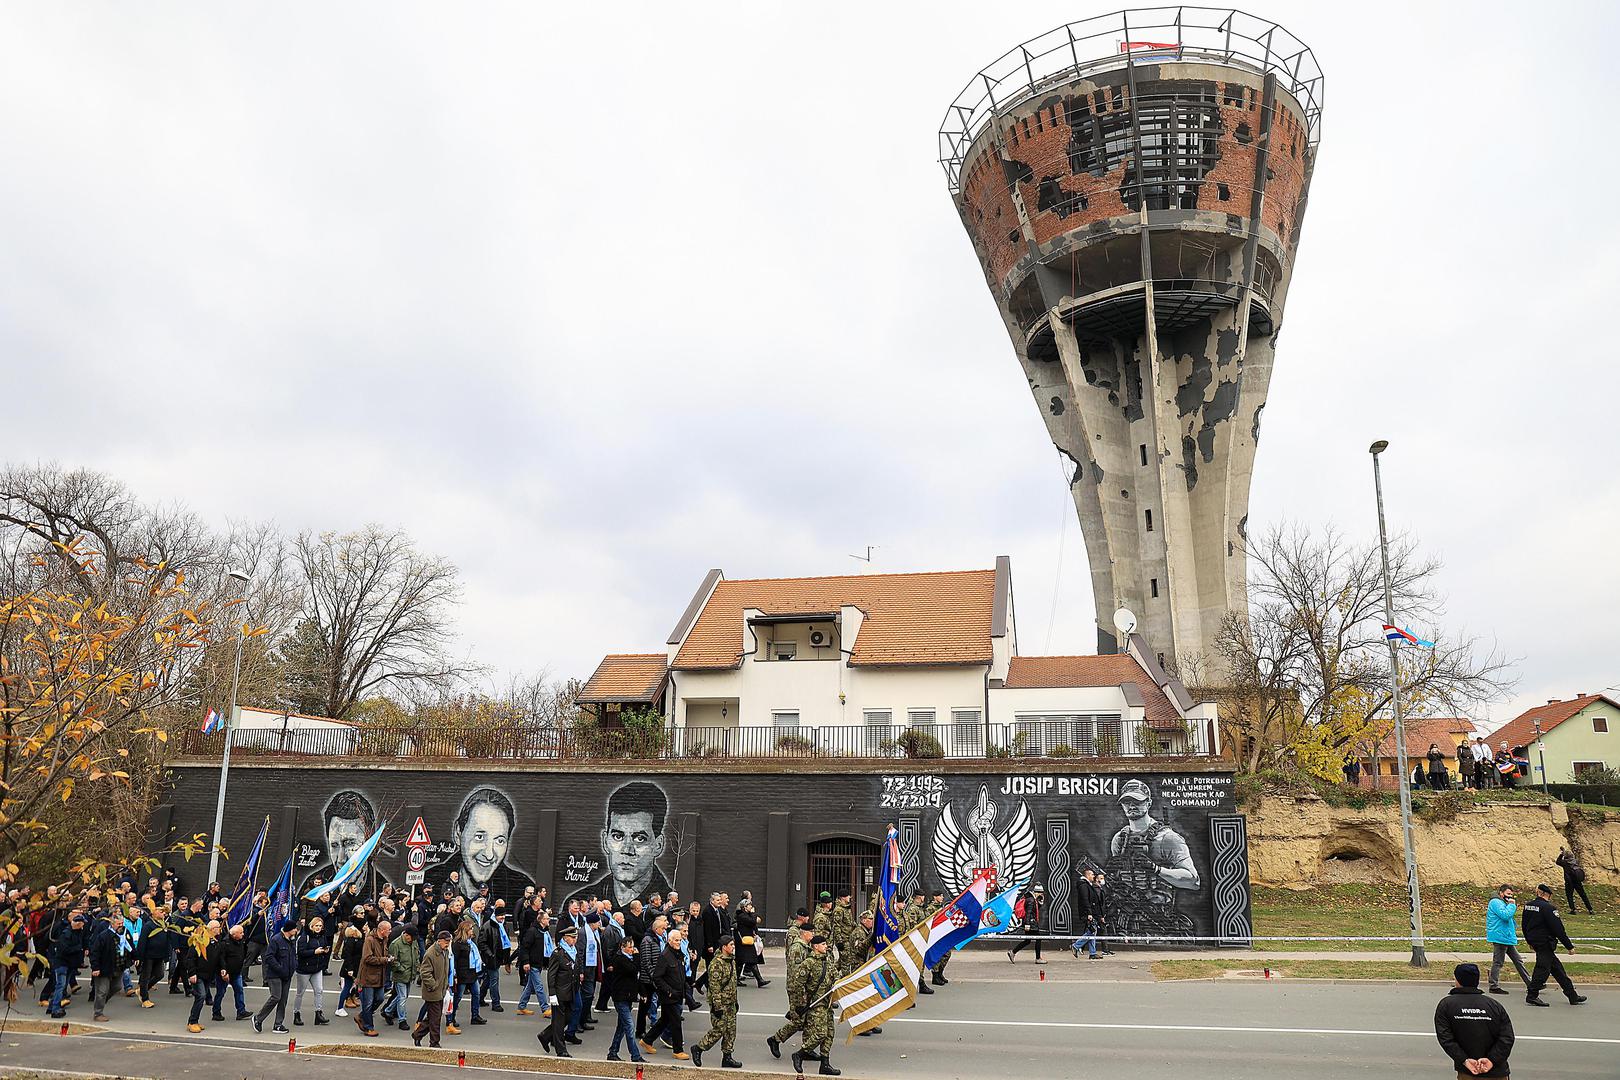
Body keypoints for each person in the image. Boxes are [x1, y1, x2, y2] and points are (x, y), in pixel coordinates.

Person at [566, 781, 675, 907]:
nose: (627, 850)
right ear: (605, 841)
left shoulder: (670, 905)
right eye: (618, 837)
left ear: (658, 845)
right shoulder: (578, 903)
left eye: (640, 839)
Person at [431, 787, 536, 904]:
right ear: (458, 834)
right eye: (479, 837)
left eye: (499, 841)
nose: (489, 855)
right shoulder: (431, 882)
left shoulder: (521, 889)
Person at [1435, 962, 1514, 1078]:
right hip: (1497, 1072)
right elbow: (1507, 1037)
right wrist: (1492, 1060)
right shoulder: (1494, 1005)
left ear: (1458, 980)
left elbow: (1446, 1038)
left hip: (1468, 1072)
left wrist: (1464, 1060)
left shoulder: (1446, 1005)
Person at [1522, 884, 1585, 1007]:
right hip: (1545, 942)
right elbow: (1558, 929)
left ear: (1538, 893)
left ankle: (1572, 995)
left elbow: (1524, 925)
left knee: (1557, 970)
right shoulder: (1549, 908)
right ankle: (1532, 995)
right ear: (1546, 894)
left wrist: (1529, 941)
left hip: (1535, 941)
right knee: (1542, 969)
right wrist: (1569, 946)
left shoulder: (1528, 905)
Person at [767, 916, 817, 1059]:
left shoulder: (805, 947)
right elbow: (797, 973)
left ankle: (807, 1049)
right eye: (811, 932)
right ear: (804, 933)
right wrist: (801, 992)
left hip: (804, 989)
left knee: (807, 1019)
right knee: (799, 1021)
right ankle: (776, 1039)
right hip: (796, 989)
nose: (813, 935)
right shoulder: (797, 948)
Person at [791, 935, 840, 1077]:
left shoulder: (827, 961)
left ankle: (825, 1064)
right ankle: (799, 1054)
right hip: (815, 1004)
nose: (826, 946)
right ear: (816, 947)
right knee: (820, 1033)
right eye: (823, 944)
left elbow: (835, 976)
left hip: (827, 1003)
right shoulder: (808, 963)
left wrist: (838, 982)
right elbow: (798, 984)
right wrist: (799, 1004)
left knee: (829, 1034)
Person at [692, 934, 743, 1069]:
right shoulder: (716, 964)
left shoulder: (731, 960)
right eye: (731, 945)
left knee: (731, 1031)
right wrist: (717, 1007)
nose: (733, 947)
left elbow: (732, 983)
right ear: (724, 947)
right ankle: (699, 1048)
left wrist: (735, 1001)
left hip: (730, 1002)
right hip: (720, 1004)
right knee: (719, 1029)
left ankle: (727, 1057)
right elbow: (714, 988)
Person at [641, 926, 690, 1060]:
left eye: (680, 940)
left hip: (677, 993)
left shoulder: (678, 954)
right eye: (676, 940)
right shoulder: (665, 956)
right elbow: (657, 977)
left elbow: (680, 973)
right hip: (669, 996)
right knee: (676, 1022)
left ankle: (647, 1040)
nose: (678, 943)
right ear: (669, 941)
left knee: (665, 1020)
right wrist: (668, 991)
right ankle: (678, 1050)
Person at [603, 930, 646, 1063]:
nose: (632, 950)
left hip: (628, 997)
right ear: (623, 947)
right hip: (620, 997)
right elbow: (633, 970)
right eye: (630, 947)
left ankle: (612, 1052)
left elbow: (636, 978)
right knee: (629, 1026)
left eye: (633, 947)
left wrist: (642, 993)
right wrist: (637, 956)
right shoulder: (619, 959)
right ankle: (635, 1056)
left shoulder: (630, 959)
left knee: (621, 1027)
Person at [540, 923, 580, 1057]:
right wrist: (552, 994)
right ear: (565, 938)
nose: (575, 940)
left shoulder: (573, 951)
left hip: (571, 991)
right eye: (572, 937)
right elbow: (551, 975)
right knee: (559, 1021)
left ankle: (546, 1035)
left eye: (576, 937)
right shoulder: (558, 954)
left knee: (568, 1018)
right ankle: (561, 1050)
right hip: (560, 992)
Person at [252, 919, 297, 1034]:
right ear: (289, 929)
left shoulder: (291, 940)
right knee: (276, 997)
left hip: (287, 975)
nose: (296, 930)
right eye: (294, 928)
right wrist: (280, 968)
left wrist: (293, 966)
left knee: (283, 1000)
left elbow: (293, 955)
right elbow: (269, 957)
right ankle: (258, 1018)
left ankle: (278, 1024)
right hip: (275, 975)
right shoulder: (276, 940)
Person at [1485, 885, 1531, 994]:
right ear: (1501, 893)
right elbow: (1505, 915)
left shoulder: (1502, 902)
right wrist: (1512, 905)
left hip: (1506, 937)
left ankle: (1530, 984)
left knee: (1518, 960)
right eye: (1508, 894)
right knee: (1498, 962)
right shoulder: (1495, 902)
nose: (1510, 896)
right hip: (1500, 937)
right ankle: (1493, 986)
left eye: (1511, 894)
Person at [413, 929, 450, 1048]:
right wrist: (434, 985)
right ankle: (434, 1042)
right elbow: (425, 973)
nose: (448, 944)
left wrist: (445, 986)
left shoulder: (444, 952)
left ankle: (418, 1034)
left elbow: (444, 971)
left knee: (433, 1017)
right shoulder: (430, 954)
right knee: (435, 1020)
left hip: (440, 990)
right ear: (439, 941)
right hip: (433, 992)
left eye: (449, 941)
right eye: (446, 941)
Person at [293, 915, 331, 1026]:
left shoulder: (322, 936)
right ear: (312, 926)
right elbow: (300, 952)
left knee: (319, 991)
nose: (318, 928)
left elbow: (324, 947)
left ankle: (319, 1013)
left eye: (320, 926)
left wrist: (325, 951)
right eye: (316, 926)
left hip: (317, 968)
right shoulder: (304, 937)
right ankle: (296, 1014)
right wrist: (314, 952)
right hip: (304, 969)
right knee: (300, 993)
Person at [355, 920, 390, 1036]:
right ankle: (368, 1027)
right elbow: (367, 958)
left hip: (379, 977)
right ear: (382, 930)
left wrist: (388, 957)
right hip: (368, 977)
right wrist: (384, 960)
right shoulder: (369, 940)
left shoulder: (384, 940)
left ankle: (362, 1016)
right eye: (389, 929)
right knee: (368, 1003)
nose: (390, 931)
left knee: (380, 998)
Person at [515, 907, 552, 1016]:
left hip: (538, 963)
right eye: (547, 918)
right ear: (542, 920)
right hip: (533, 963)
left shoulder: (544, 932)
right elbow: (524, 947)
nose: (549, 920)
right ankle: (545, 1008)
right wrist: (526, 962)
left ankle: (521, 1006)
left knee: (529, 986)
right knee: (539, 987)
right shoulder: (532, 931)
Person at [85, 909, 121, 1023]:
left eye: (122, 923)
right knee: (102, 991)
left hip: (117, 967)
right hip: (104, 967)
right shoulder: (103, 936)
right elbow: (95, 952)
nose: (121, 926)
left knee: (117, 987)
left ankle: (100, 1002)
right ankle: (98, 1013)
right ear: (112, 924)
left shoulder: (123, 934)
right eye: (119, 924)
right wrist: (95, 967)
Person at [211, 922, 250, 1022]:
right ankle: (216, 1012)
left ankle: (241, 1011)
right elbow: (221, 958)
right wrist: (224, 971)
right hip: (225, 973)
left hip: (236, 972)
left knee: (239, 990)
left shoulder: (241, 942)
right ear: (234, 934)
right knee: (220, 993)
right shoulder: (225, 943)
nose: (243, 934)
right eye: (241, 933)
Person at [383, 924, 418, 1030]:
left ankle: (387, 1011)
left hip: (409, 974)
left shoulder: (413, 942)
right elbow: (393, 961)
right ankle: (402, 1020)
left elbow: (416, 955)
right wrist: (401, 969)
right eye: (412, 937)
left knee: (402, 996)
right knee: (402, 997)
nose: (413, 940)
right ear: (406, 935)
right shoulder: (396, 944)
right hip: (400, 975)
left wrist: (416, 967)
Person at [735, 898, 769, 987]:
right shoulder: (742, 916)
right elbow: (753, 921)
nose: (751, 907)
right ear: (745, 907)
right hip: (743, 942)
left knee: (743, 961)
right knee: (749, 960)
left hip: (748, 941)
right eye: (749, 905)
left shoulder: (747, 915)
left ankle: (737, 979)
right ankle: (759, 980)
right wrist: (753, 914)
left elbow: (757, 921)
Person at [1008, 884, 1045, 963]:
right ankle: (1038, 958)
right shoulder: (1031, 900)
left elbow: (1034, 910)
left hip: (1030, 922)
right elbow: (1028, 912)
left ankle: (1013, 952)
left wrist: (1040, 903)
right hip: (1031, 923)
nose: (1041, 894)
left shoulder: (1032, 899)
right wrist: (1027, 924)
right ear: (1037, 892)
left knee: (1027, 940)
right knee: (1038, 938)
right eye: (1040, 893)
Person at [1072, 867, 1101, 959]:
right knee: (1091, 931)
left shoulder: (1087, 885)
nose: (1093, 876)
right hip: (1088, 912)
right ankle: (1076, 945)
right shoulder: (1084, 885)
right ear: (1087, 875)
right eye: (1092, 874)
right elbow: (1085, 899)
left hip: (1090, 912)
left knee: (1092, 931)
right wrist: (1089, 912)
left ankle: (1092, 953)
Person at [1556, 850, 1593, 914]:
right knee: (1583, 895)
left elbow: (1557, 862)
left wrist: (1561, 854)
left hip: (1569, 882)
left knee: (1569, 896)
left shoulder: (1565, 862)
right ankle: (1590, 909)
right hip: (1577, 881)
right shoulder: (1576, 861)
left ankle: (1573, 910)